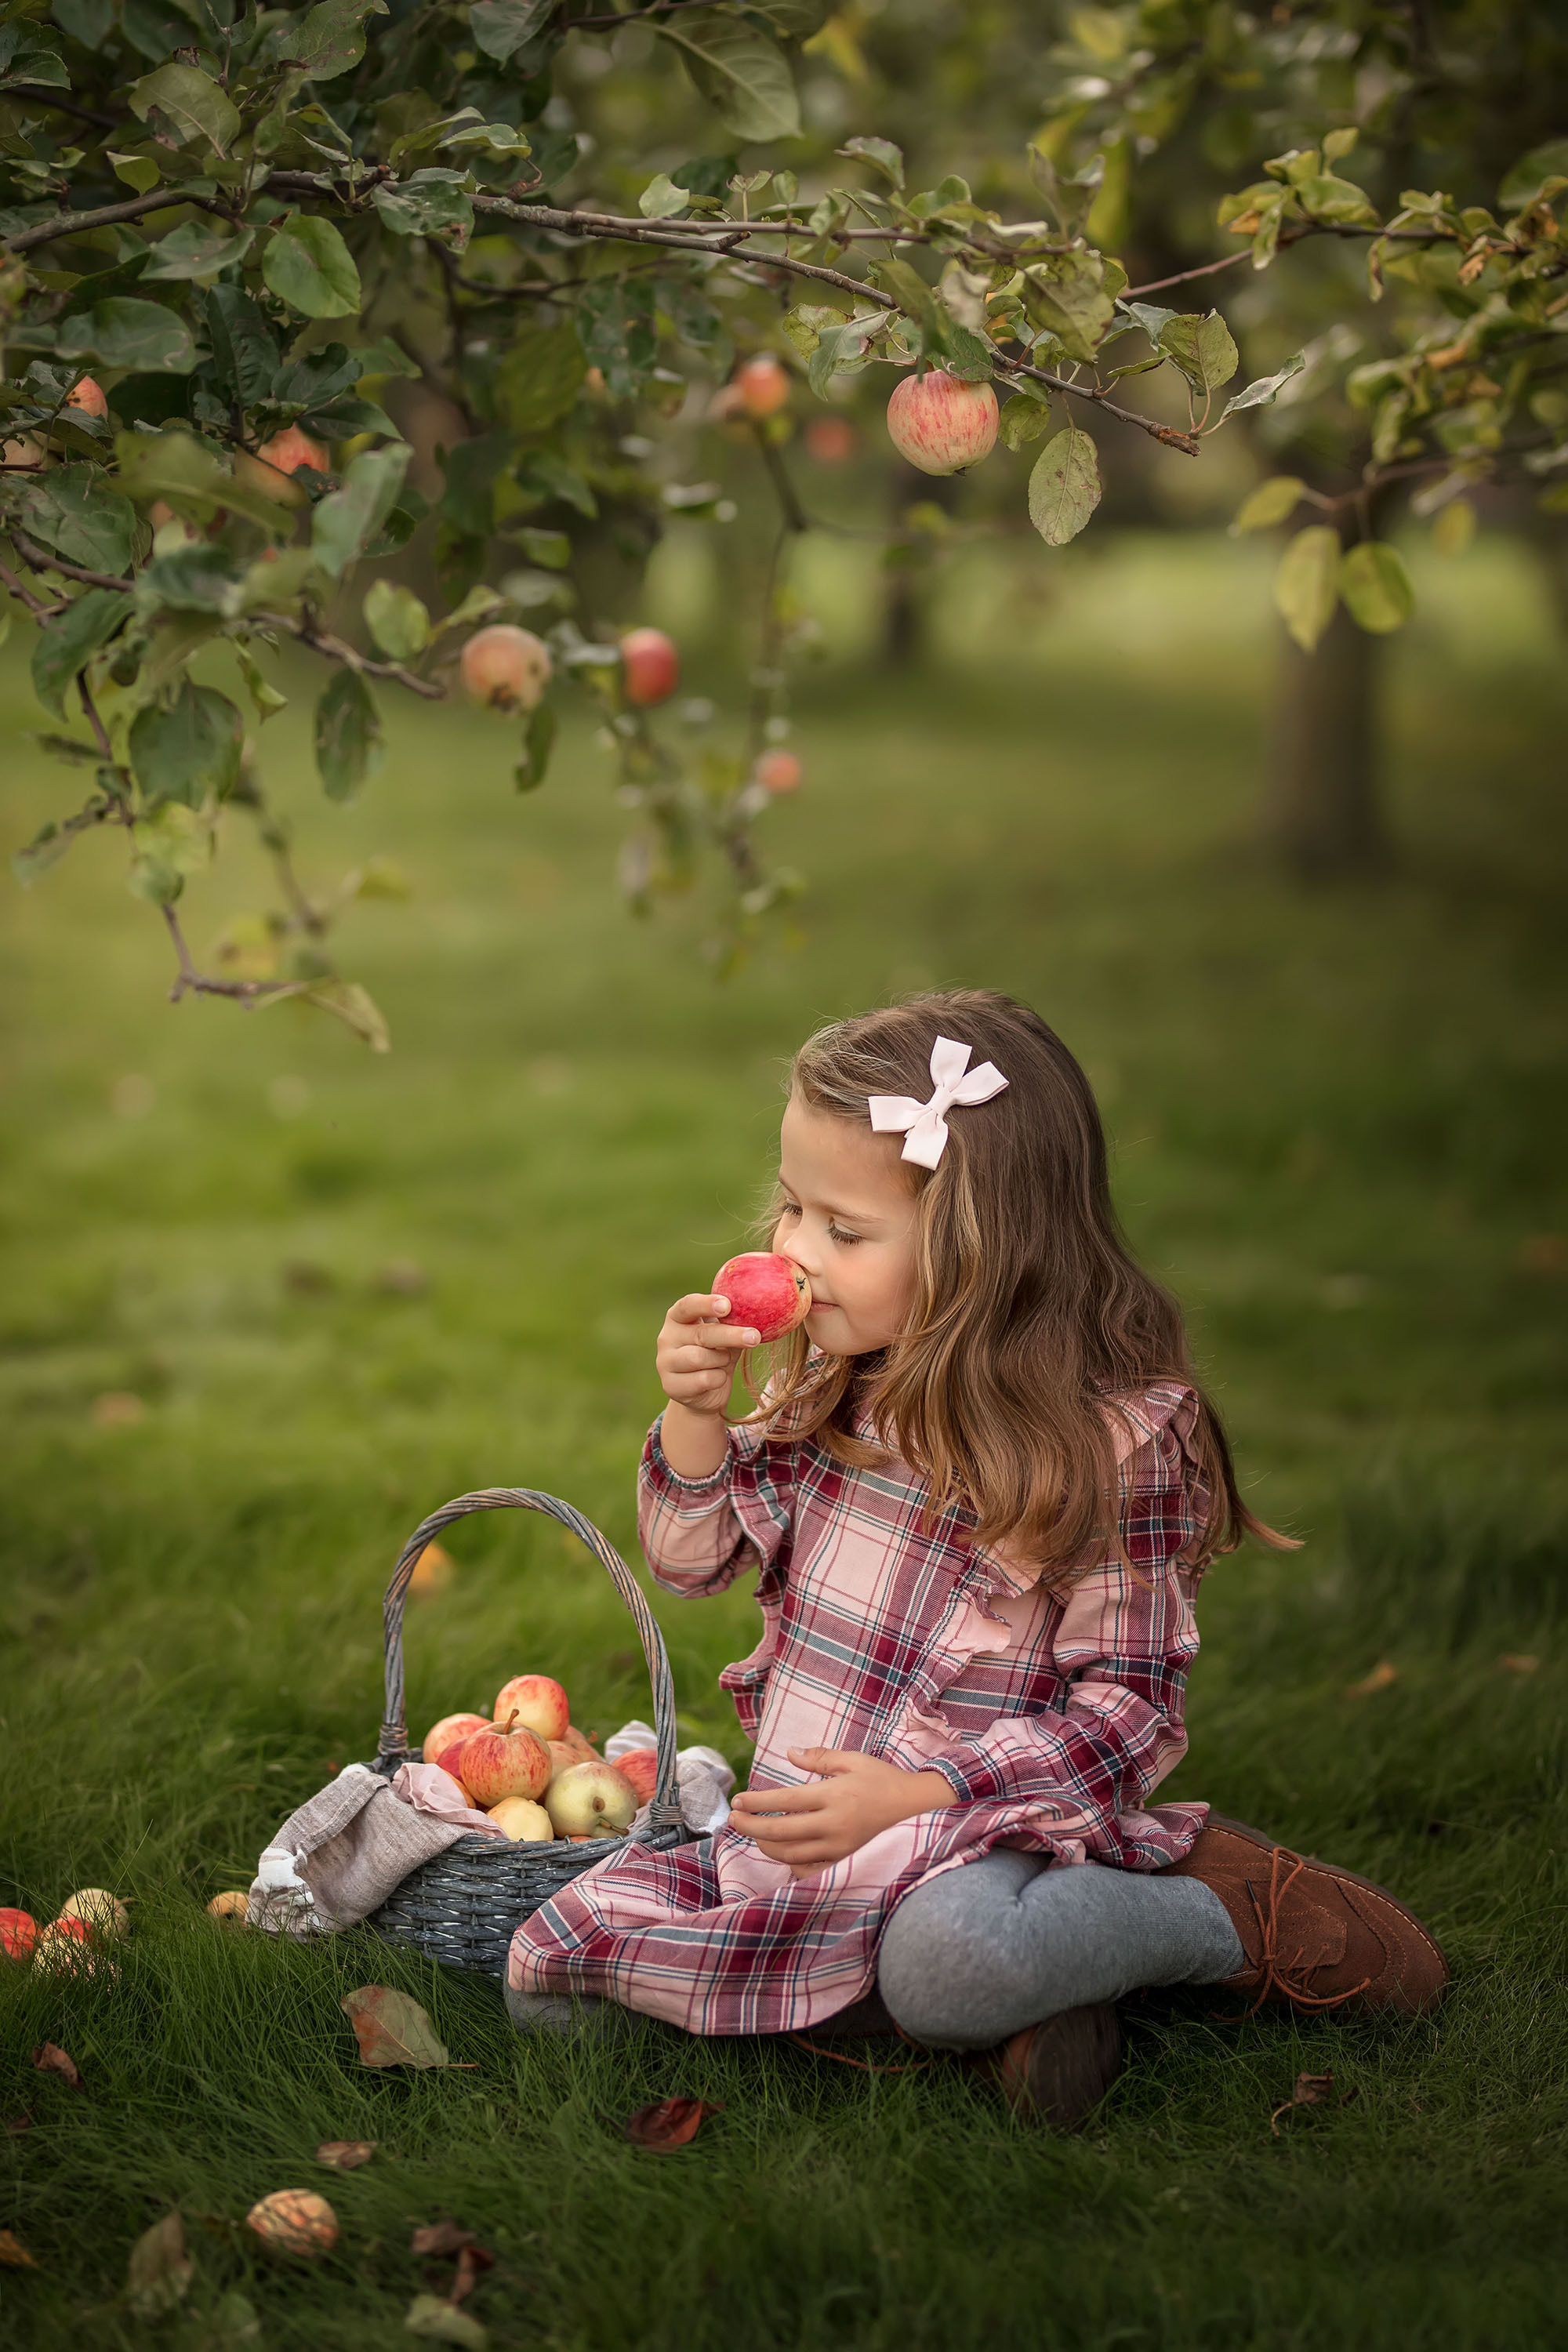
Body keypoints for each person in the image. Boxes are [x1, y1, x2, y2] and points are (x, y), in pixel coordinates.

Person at [506, 992, 1446, 2123]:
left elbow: (1130, 1711)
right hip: (810, 1844)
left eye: (845, 1231)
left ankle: (1224, 1918)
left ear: (978, 1250)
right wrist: (695, 1413)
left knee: (949, 1960)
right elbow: (689, 1561)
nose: (791, 1253)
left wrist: (922, 1793)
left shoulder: (1115, 1443)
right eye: (792, 1207)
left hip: (979, 1830)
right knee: (545, 1974)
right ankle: (1025, 2011)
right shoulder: (833, 1389)